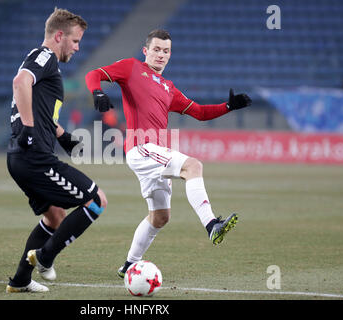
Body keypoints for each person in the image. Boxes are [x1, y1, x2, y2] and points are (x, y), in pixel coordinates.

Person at [85, 29, 252, 278]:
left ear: (170, 55)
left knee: (160, 217)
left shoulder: (168, 88)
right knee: (193, 166)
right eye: (156, 49)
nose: (161, 55)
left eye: (166, 51)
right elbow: (94, 74)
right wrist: (97, 92)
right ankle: (211, 225)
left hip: (154, 152)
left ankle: (130, 264)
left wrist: (228, 107)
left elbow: (200, 112)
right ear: (146, 51)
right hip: (142, 147)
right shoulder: (131, 68)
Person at [6, 8, 107, 293]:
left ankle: (20, 281)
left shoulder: (45, 63)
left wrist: (63, 136)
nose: (77, 47)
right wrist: (28, 127)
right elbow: (20, 83)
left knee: (55, 217)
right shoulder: (45, 56)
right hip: (34, 156)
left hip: (20, 157)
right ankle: (45, 256)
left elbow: (43, 112)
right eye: (75, 41)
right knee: (97, 200)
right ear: (59, 36)